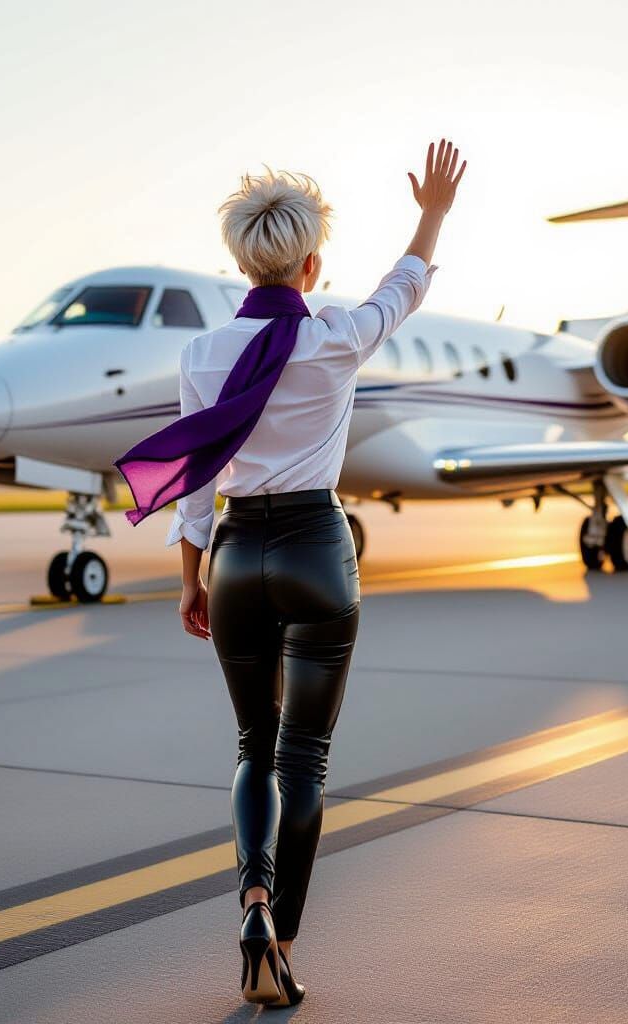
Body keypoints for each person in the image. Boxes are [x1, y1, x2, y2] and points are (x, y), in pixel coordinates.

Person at [169, 140, 466, 1005]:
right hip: (316, 553)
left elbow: (193, 480)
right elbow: (403, 285)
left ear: (238, 261)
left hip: (234, 555)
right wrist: (434, 210)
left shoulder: (199, 357)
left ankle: (251, 896)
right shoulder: (335, 336)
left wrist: (192, 579)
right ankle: (282, 939)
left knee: (252, 748)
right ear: (310, 263)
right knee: (305, 756)